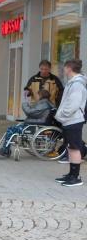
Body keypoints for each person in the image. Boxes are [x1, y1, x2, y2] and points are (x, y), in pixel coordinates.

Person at [0, 89, 55, 156]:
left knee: (11, 129)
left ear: (40, 95)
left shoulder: (43, 104)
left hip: (34, 126)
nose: (36, 96)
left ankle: (5, 150)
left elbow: (29, 112)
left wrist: (25, 103)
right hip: (36, 124)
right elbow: (35, 113)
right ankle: (5, 149)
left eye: (37, 95)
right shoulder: (46, 104)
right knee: (13, 128)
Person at [54, 59, 87, 187]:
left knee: (74, 148)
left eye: (64, 67)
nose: (63, 70)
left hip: (73, 120)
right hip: (69, 120)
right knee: (71, 148)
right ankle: (71, 174)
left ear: (69, 68)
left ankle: (76, 177)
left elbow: (73, 104)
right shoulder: (72, 83)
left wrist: (62, 115)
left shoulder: (77, 84)